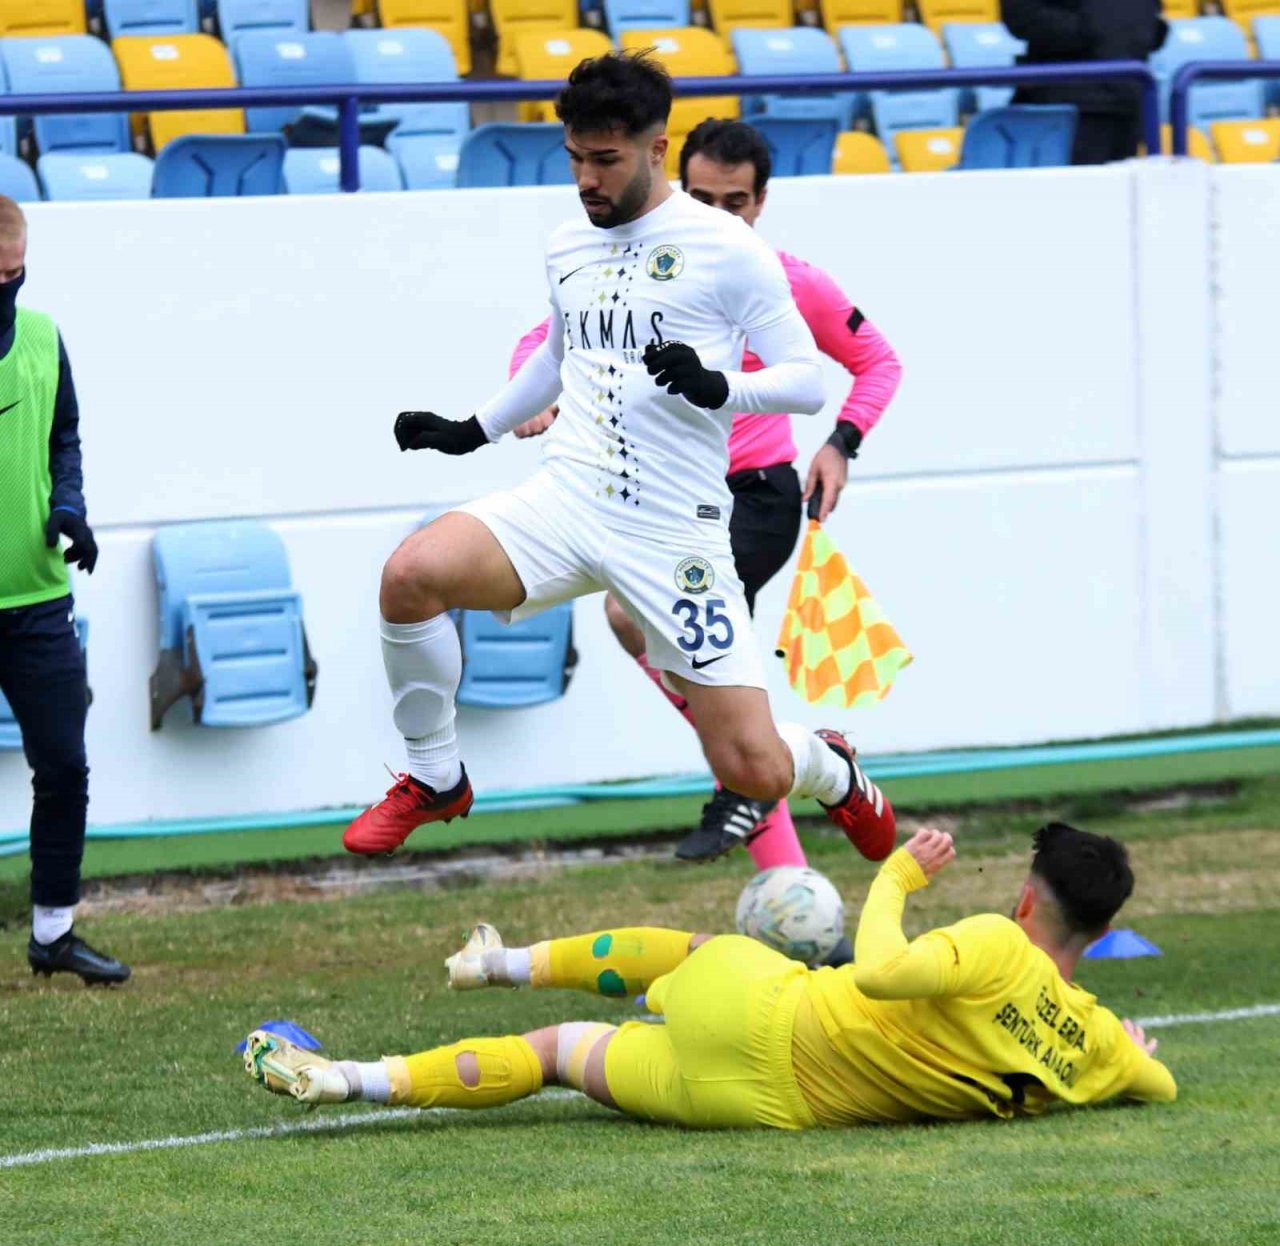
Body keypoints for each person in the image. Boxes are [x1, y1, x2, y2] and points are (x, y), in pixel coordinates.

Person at [341, 54, 896, 866]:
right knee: (409, 576)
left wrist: (721, 388)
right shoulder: (569, 242)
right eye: (576, 159)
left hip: (675, 532)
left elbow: (809, 382)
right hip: (568, 499)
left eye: (606, 161)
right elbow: (559, 353)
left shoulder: (730, 248)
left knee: (754, 767)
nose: (588, 180)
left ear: (655, 150)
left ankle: (829, 766)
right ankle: (436, 778)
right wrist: (475, 429)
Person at [506, 119, 902, 867]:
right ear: (678, 185)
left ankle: (744, 780)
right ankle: (777, 812)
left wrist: (841, 444)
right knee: (689, 667)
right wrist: (533, 396)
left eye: (737, 202)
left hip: (752, 499)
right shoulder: (640, 268)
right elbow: (544, 339)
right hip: (659, 500)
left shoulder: (786, 280)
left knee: (632, 612)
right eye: (704, 197)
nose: (720, 217)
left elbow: (877, 362)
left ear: (761, 203)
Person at [245, 822, 1176, 1127]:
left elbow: (887, 972)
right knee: (564, 1056)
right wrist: (1125, 1050)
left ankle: (496, 961)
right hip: (762, 1107)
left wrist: (895, 875)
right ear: (1100, 928)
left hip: (771, 1006)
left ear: (1025, 897)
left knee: (690, 953)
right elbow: (1160, 1082)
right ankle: (347, 1081)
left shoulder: (998, 942)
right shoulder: (1093, 1048)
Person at [0, 196, 129, 985]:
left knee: (65, 768)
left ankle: (53, 935)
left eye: (15, 276)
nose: (6, 290)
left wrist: (70, 510)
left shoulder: (45, 336)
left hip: (39, 603)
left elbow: (63, 438)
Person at [1002, 0, 1167, 165]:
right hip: (1067, 103)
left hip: (1126, 97)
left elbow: (1155, 27)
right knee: (1068, 186)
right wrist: (1092, 30)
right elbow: (1021, 15)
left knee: (1117, 185)